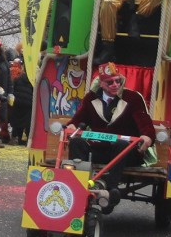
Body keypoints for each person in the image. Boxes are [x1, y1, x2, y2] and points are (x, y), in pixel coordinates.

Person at [66, 62, 155, 211]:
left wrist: (147, 137)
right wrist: (72, 126)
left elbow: (146, 125)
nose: (115, 85)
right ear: (101, 83)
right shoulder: (91, 99)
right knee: (76, 142)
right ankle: (78, 186)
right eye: (110, 82)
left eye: (118, 81)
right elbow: (77, 120)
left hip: (126, 152)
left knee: (121, 144)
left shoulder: (132, 98)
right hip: (100, 149)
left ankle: (110, 190)